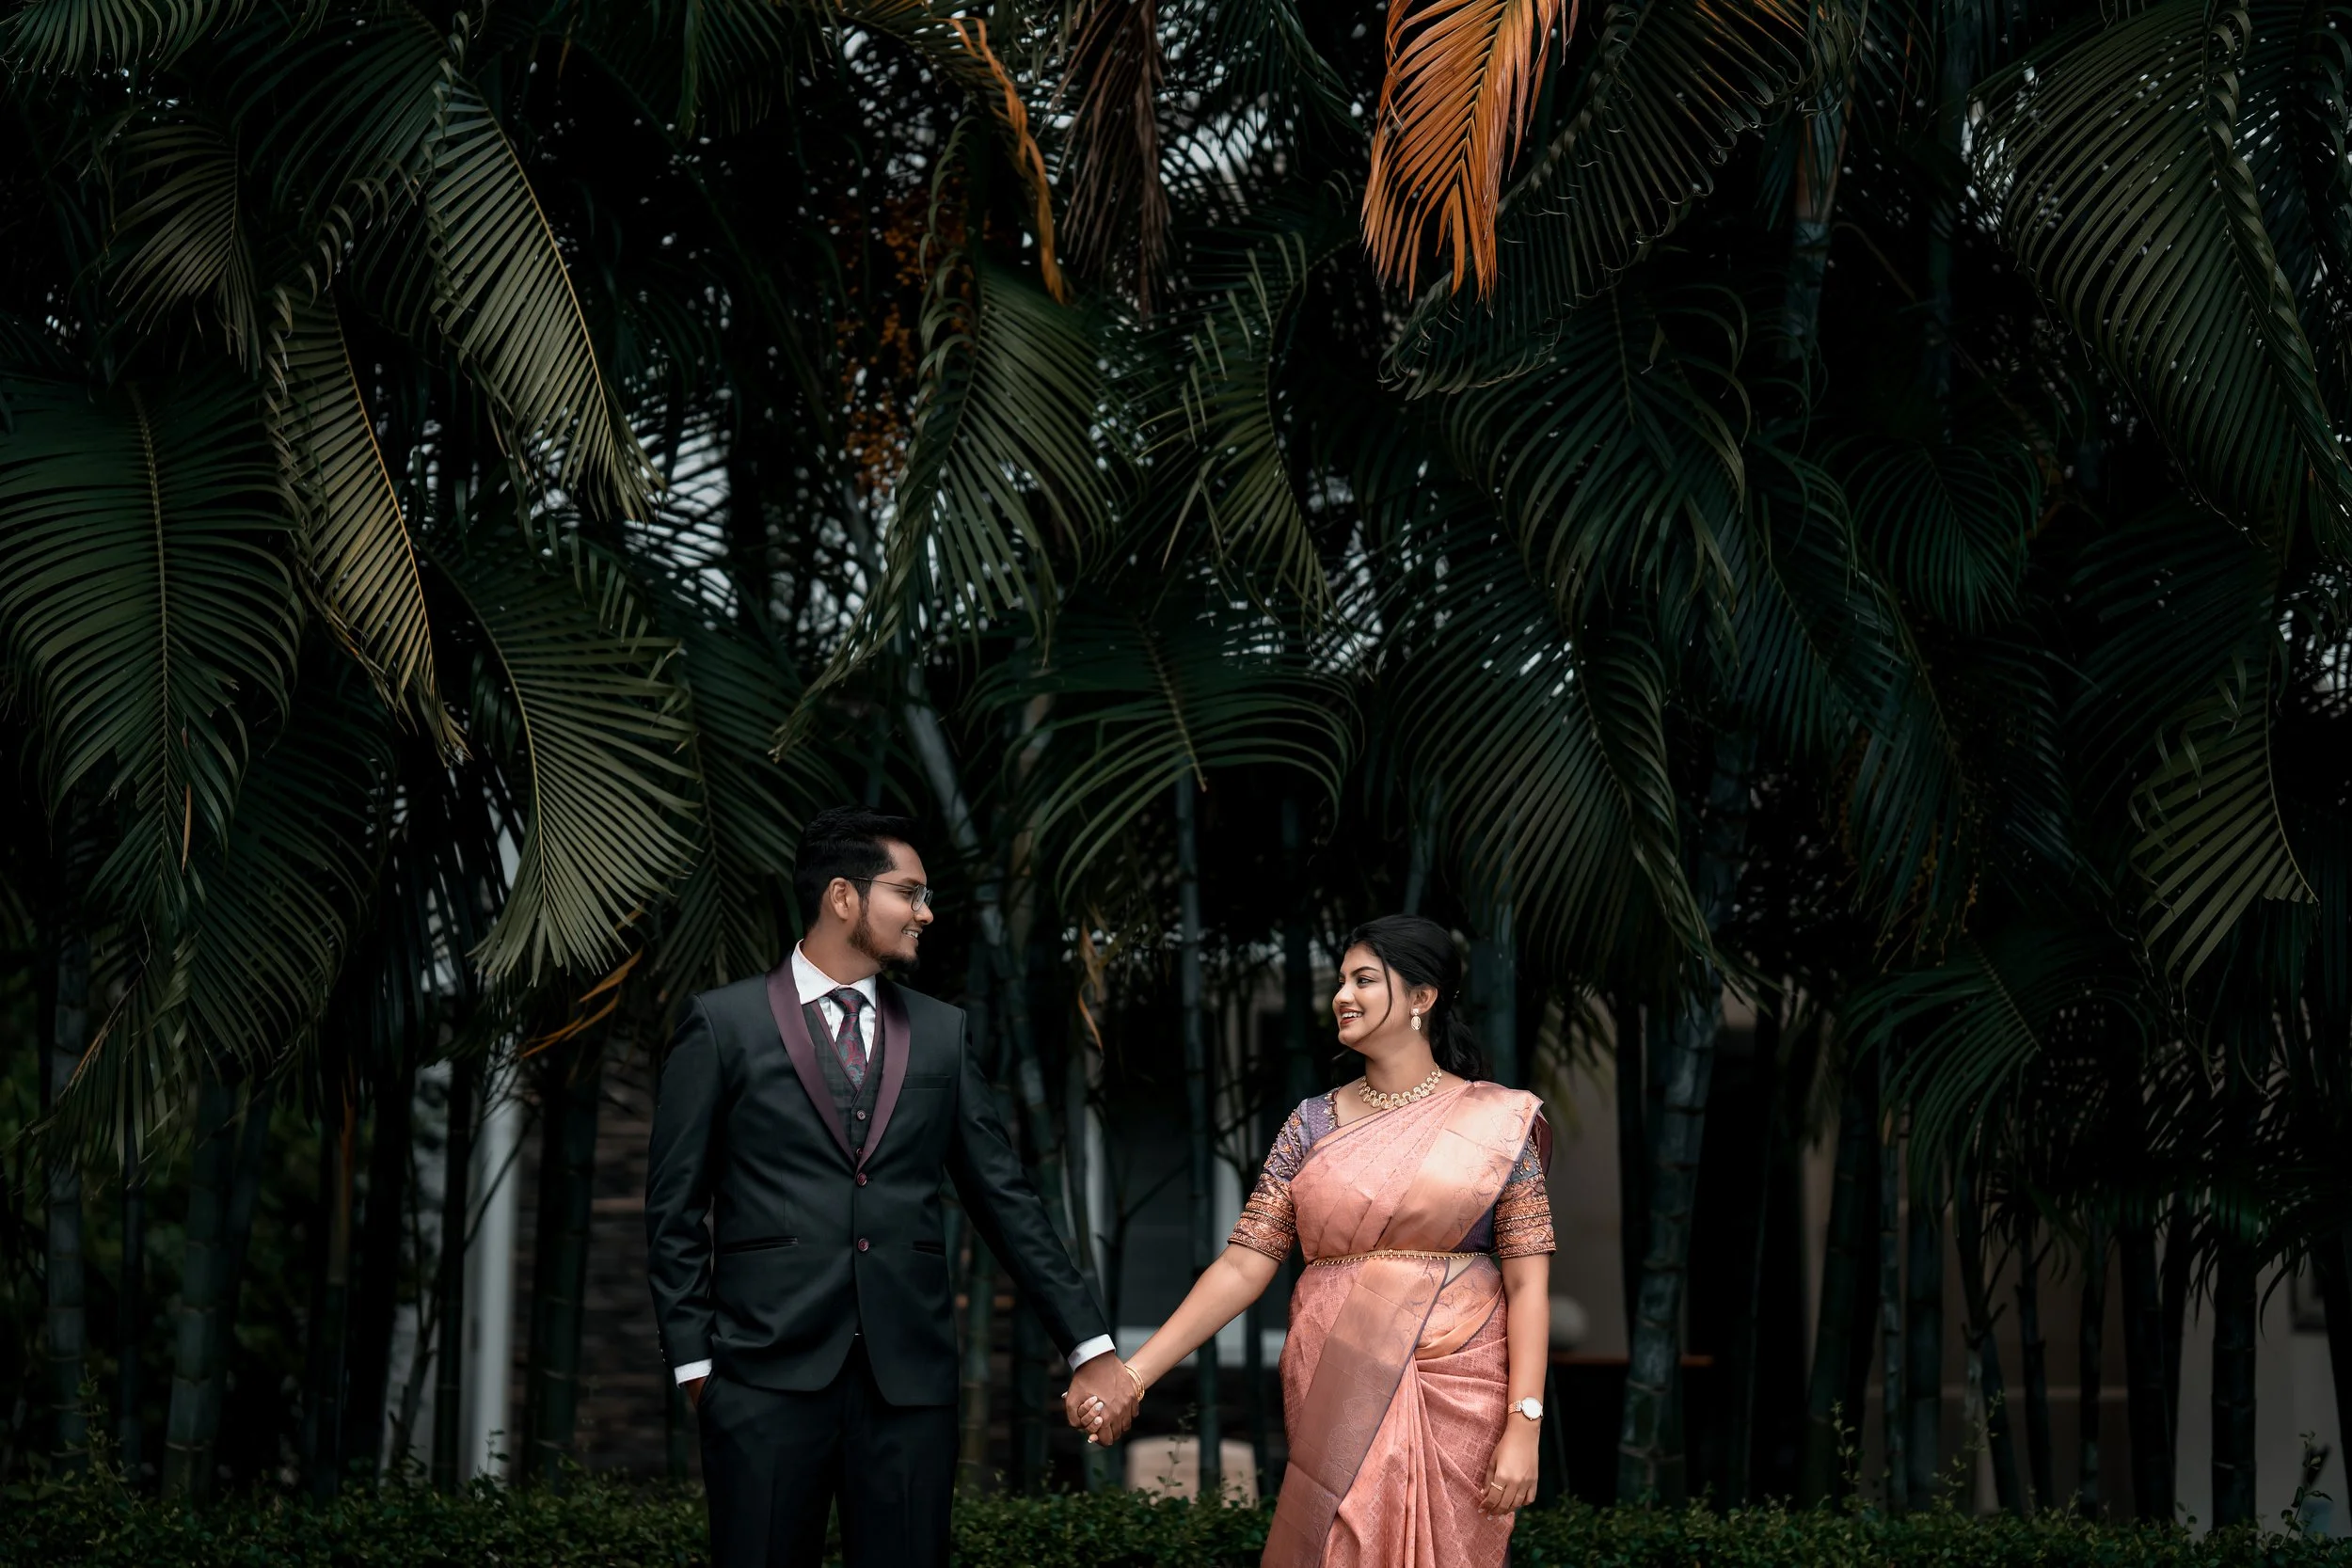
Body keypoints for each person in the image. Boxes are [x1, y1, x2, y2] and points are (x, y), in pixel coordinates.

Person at [645, 806, 1138, 1568]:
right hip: (762, 1379)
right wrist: (697, 1369)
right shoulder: (723, 1025)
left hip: (909, 1386)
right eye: (909, 893)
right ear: (843, 897)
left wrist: (1089, 1344)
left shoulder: (944, 1034)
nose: (926, 912)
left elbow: (1006, 1200)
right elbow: (672, 1210)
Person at [1067, 914, 1554, 1568]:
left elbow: (1528, 1285)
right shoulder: (1311, 1123)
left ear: (1422, 997)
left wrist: (1525, 1423)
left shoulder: (1497, 1121)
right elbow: (1243, 1264)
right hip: (1337, 1370)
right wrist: (1135, 1372)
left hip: (1460, 1380)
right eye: (1341, 981)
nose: (1342, 996)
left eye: (1364, 980)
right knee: (1339, 1541)